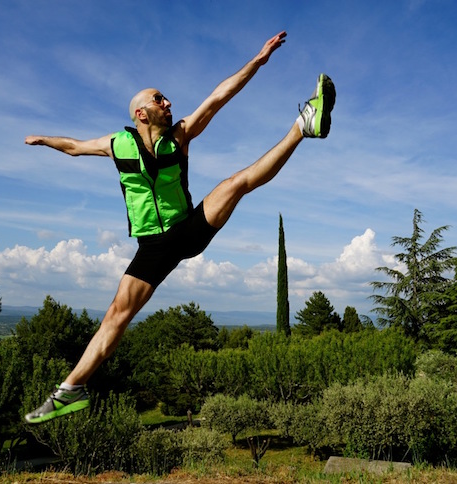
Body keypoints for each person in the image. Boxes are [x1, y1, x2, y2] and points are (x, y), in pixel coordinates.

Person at [23, 31, 334, 424]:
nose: (167, 103)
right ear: (141, 113)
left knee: (235, 184)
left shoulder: (180, 135)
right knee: (116, 316)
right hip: (153, 247)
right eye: (159, 99)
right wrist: (45, 140)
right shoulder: (117, 144)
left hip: (188, 229)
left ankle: (302, 127)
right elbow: (74, 145)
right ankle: (71, 390)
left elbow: (219, 97)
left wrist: (258, 60)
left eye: (165, 98)